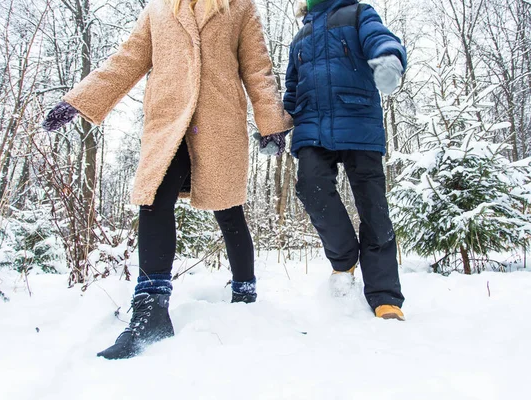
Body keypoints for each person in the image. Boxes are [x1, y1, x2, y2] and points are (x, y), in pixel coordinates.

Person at [43, 0, 292, 359]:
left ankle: (245, 292)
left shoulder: (239, 7)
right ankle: (151, 309)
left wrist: (270, 122)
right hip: (169, 123)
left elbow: (257, 69)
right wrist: (81, 100)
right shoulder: (158, 9)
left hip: (218, 123)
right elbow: (126, 60)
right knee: (153, 196)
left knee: (228, 209)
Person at [276, 0, 407, 320]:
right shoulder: (300, 37)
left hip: (359, 121)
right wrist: (274, 130)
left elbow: (380, 38)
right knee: (310, 186)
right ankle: (344, 255)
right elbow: (292, 89)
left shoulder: (358, 13)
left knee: (373, 207)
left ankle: (384, 294)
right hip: (311, 128)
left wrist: (389, 59)